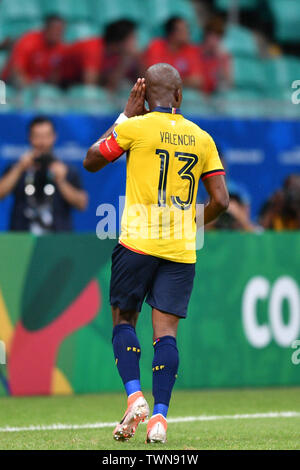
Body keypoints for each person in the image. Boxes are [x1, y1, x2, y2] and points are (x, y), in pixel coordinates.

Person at [84, 64, 229, 443]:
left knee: (123, 321)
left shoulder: (135, 127)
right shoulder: (202, 138)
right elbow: (222, 201)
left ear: (145, 96)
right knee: (165, 335)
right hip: (181, 251)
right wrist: (193, 223)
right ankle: (159, 418)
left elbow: (92, 160)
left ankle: (135, 396)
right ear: (179, 96)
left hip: (137, 244)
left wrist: (124, 115)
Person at [0, 116, 88, 233]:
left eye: (46, 136)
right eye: (37, 137)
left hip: (57, 240)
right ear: (30, 138)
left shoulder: (67, 170)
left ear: (54, 137)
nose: (42, 142)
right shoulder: (16, 168)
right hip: (22, 240)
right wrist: (19, 168)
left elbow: (82, 203)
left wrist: (61, 181)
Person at [2, 15, 66, 86]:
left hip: (41, 87)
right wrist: (30, 89)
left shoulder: (61, 48)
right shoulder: (29, 41)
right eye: (55, 30)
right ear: (46, 29)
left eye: (61, 31)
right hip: (11, 83)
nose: (58, 34)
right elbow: (17, 71)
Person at [144, 18, 203, 89]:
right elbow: (154, 78)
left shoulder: (190, 50)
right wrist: (183, 80)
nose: (188, 33)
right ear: (172, 33)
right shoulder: (156, 47)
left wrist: (170, 81)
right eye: (184, 30)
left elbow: (197, 81)